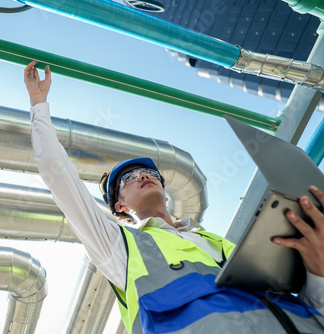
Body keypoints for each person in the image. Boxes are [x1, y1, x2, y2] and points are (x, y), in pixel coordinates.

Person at [24, 59, 324, 333]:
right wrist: (39, 105)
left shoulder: (223, 245)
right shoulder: (120, 248)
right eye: (129, 178)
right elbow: (58, 175)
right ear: (120, 206)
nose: (143, 176)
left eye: (151, 174)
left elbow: (307, 311)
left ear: (165, 192)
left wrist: (319, 274)